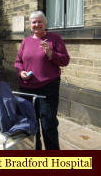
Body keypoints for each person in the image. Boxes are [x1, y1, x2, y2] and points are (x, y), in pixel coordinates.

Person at [14, 11, 70, 150]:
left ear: (45, 23)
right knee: (32, 124)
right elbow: (18, 61)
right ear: (30, 25)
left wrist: (51, 54)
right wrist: (21, 72)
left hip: (48, 87)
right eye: (34, 22)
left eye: (39, 22)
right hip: (27, 88)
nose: (36, 24)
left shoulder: (54, 39)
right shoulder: (26, 41)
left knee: (48, 123)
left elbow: (65, 60)